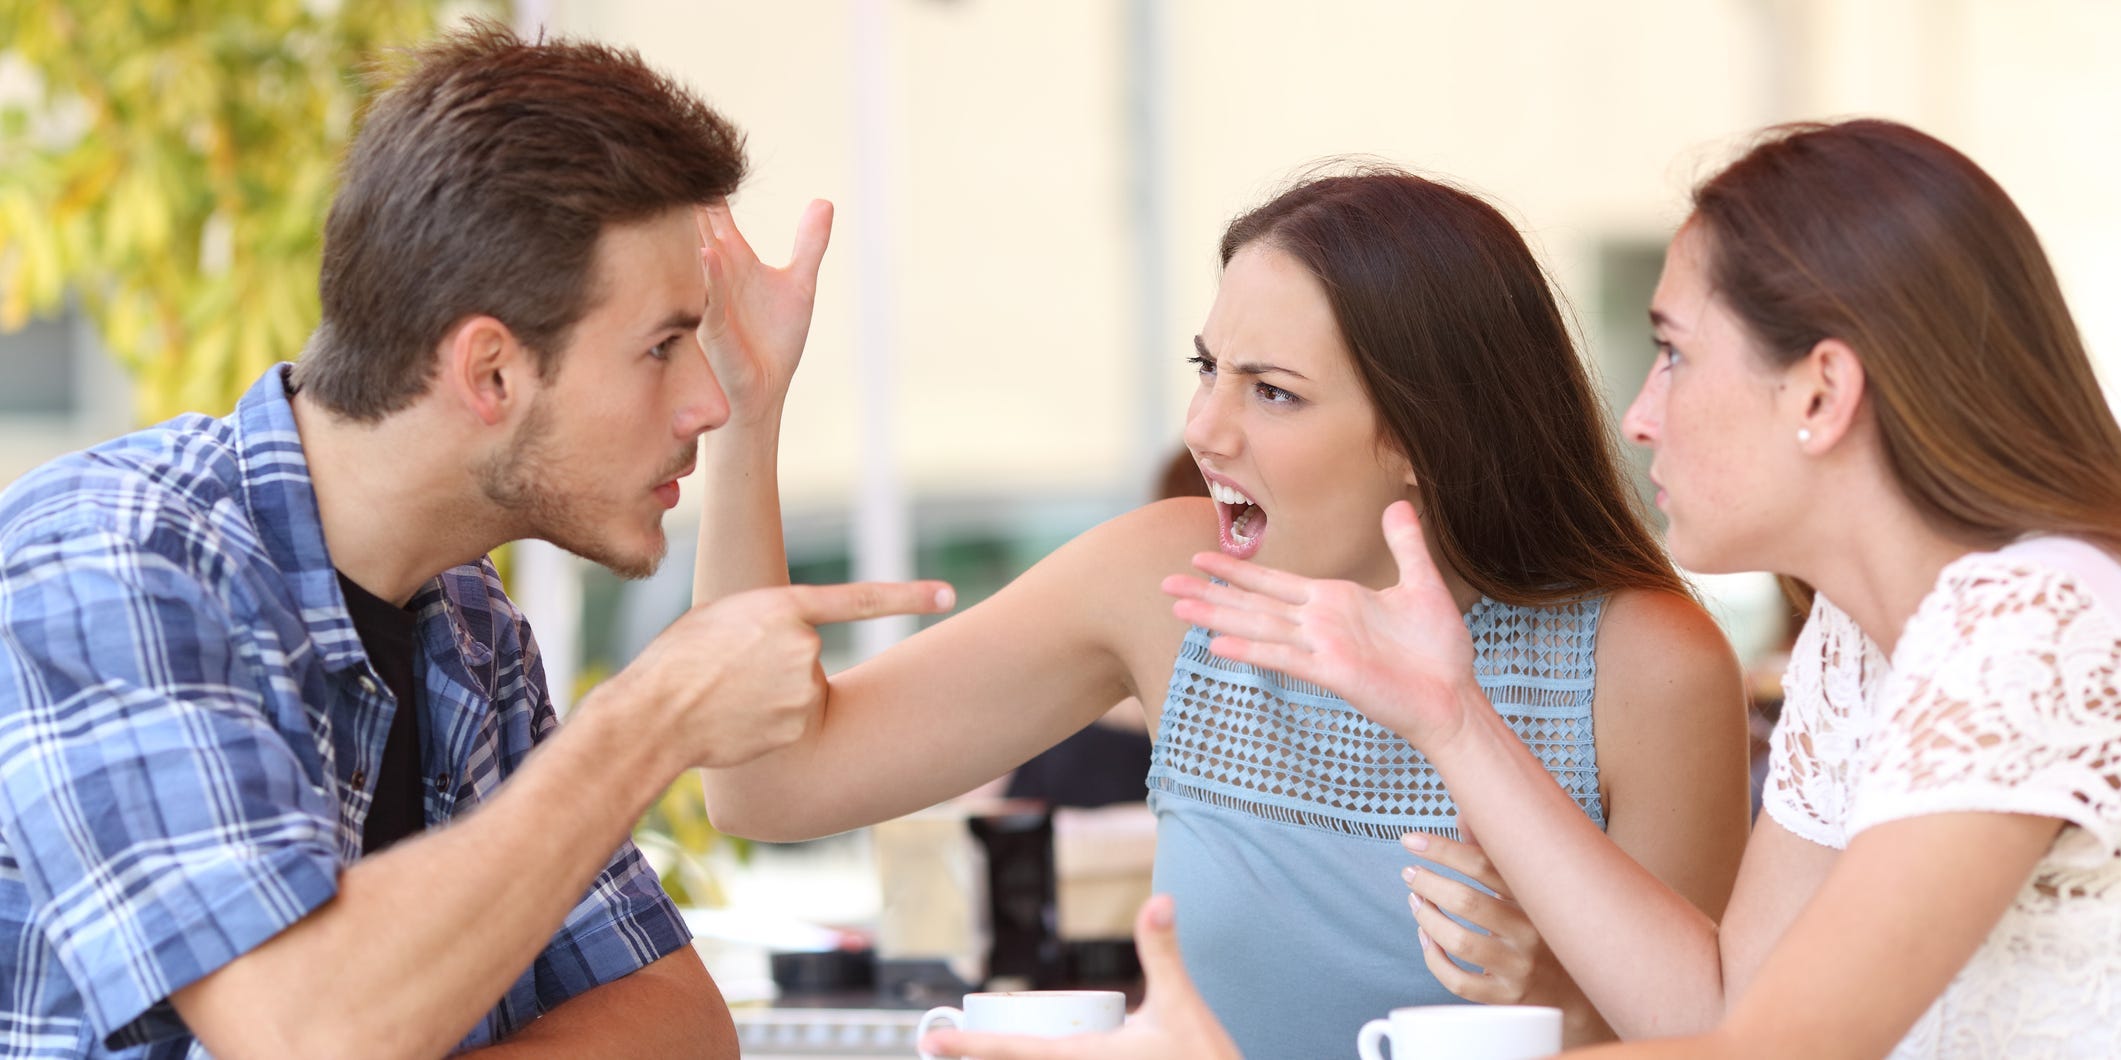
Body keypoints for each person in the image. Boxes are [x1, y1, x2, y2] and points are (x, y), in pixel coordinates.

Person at [1044, 118, 2121, 1058]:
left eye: (1674, 354)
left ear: (1823, 389)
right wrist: (1453, 716)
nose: (1641, 413)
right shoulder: (1857, 642)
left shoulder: (2035, 619)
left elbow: (1769, 1054)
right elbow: (1714, 1006)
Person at [0, 24, 949, 1059]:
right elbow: (303, 1027)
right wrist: (650, 718)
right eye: (664, 346)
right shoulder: (104, 566)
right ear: (490, 371)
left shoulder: (467, 621)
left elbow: (680, 1029)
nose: (708, 402)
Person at [693, 165, 1751, 1054]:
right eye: (1209, 370)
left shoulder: (1643, 662)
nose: (1206, 428)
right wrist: (747, 418)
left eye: (1272, 391)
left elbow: (1719, 1045)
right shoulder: (1172, 581)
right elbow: (765, 785)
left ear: (1425, 439)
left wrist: (1557, 1000)